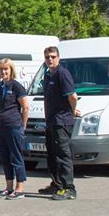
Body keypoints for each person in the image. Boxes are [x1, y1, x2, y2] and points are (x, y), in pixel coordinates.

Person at [39, 46, 80, 201]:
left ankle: (68, 188)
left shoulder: (62, 73)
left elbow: (73, 97)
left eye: (53, 56)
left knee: (63, 156)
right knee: (52, 155)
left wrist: (72, 110)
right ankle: (56, 184)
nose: (50, 59)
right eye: (47, 57)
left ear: (59, 58)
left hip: (61, 122)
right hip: (51, 122)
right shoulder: (48, 75)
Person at [0, 58, 30, 200]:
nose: (4, 71)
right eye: (1, 69)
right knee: (5, 157)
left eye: (6, 69)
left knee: (16, 157)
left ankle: (19, 188)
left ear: (11, 70)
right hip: (1, 126)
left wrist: (23, 125)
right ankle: (8, 188)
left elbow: (25, 107)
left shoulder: (16, 86)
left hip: (14, 125)